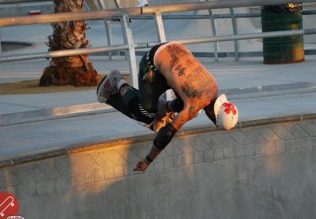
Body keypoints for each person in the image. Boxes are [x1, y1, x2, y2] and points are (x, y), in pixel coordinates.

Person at [96, 42, 239, 172]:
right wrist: (148, 160)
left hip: (173, 48)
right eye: (212, 121)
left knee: (184, 104)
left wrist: (167, 110)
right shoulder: (196, 105)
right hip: (152, 64)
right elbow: (166, 134)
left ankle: (164, 108)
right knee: (144, 113)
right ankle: (116, 81)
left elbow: (186, 93)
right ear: (213, 115)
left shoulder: (213, 87)